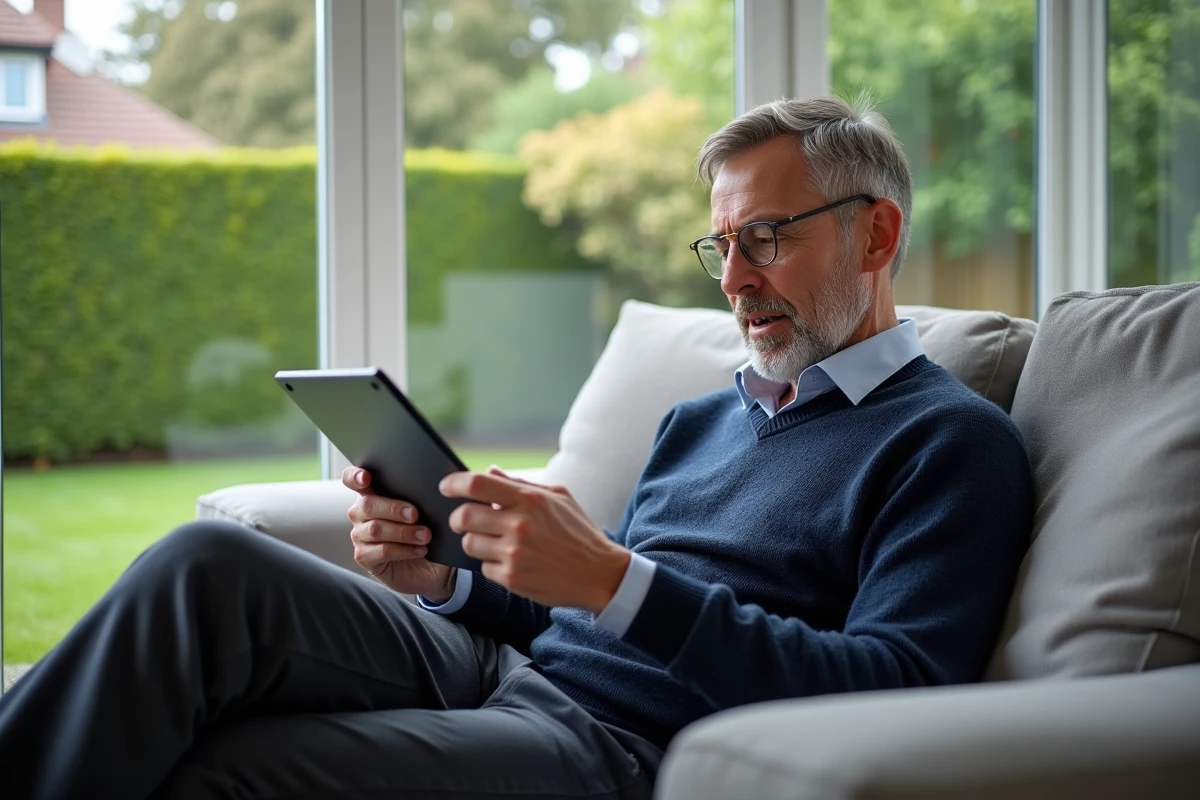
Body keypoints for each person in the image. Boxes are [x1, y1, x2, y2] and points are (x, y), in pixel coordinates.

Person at [0, 95, 1033, 799]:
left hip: (620, 746)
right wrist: (446, 576)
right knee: (206, 565)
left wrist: (618, 580)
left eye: (766, 237)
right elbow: (576, 613)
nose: (732, 279)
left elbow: (891, 681)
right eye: (722, 245)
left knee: (228, 763)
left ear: (878, 235)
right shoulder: (706, 416)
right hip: (497, 666)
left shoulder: (949, 442)